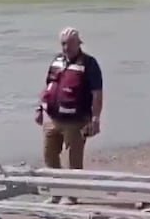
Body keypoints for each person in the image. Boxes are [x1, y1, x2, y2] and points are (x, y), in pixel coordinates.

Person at [36, 27, 103, 204]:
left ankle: (72, 195)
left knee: (74, 160)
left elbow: (97, 93)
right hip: (52, 118)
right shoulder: (56, 61)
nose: (66, 48)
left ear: (78, 44)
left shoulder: (89, 64)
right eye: (63, 44)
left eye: (70, 44)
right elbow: (48, 87)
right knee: (49, 155)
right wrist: (39, 109)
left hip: (77, 120)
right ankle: (57, 191)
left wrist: (95, 118)